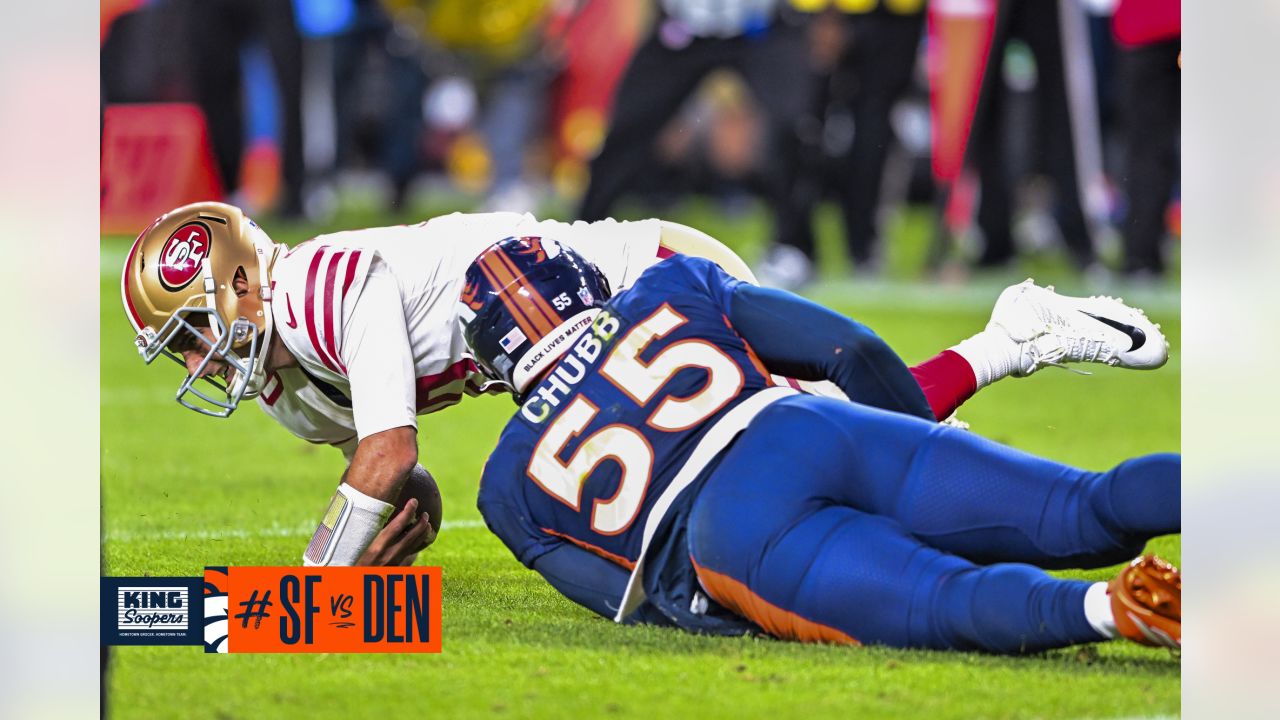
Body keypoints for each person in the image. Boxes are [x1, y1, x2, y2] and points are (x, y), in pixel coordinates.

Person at [120, 202, 1167, 568]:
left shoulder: (322, 287)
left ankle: (1011, 341)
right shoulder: (292, 385)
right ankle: (1007, 349)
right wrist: (401, 526)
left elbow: (386, 453)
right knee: (824, 460)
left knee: (830, 448)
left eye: (197, 333)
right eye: (181, 350)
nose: (200, 361)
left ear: (247, 285)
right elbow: (399, 474)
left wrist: (314, 587)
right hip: (576, 343)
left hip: (644, 282)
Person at [463, 236, 1179, 653]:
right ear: (582, 282)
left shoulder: (506, 486)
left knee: (942, 597)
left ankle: (1115, 611)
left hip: (731, 530)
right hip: (804, 430)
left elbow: (636, 598)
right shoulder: (666, 284)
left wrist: (729, 613)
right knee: (1081, 507)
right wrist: (911, 439)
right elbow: (851, 348)